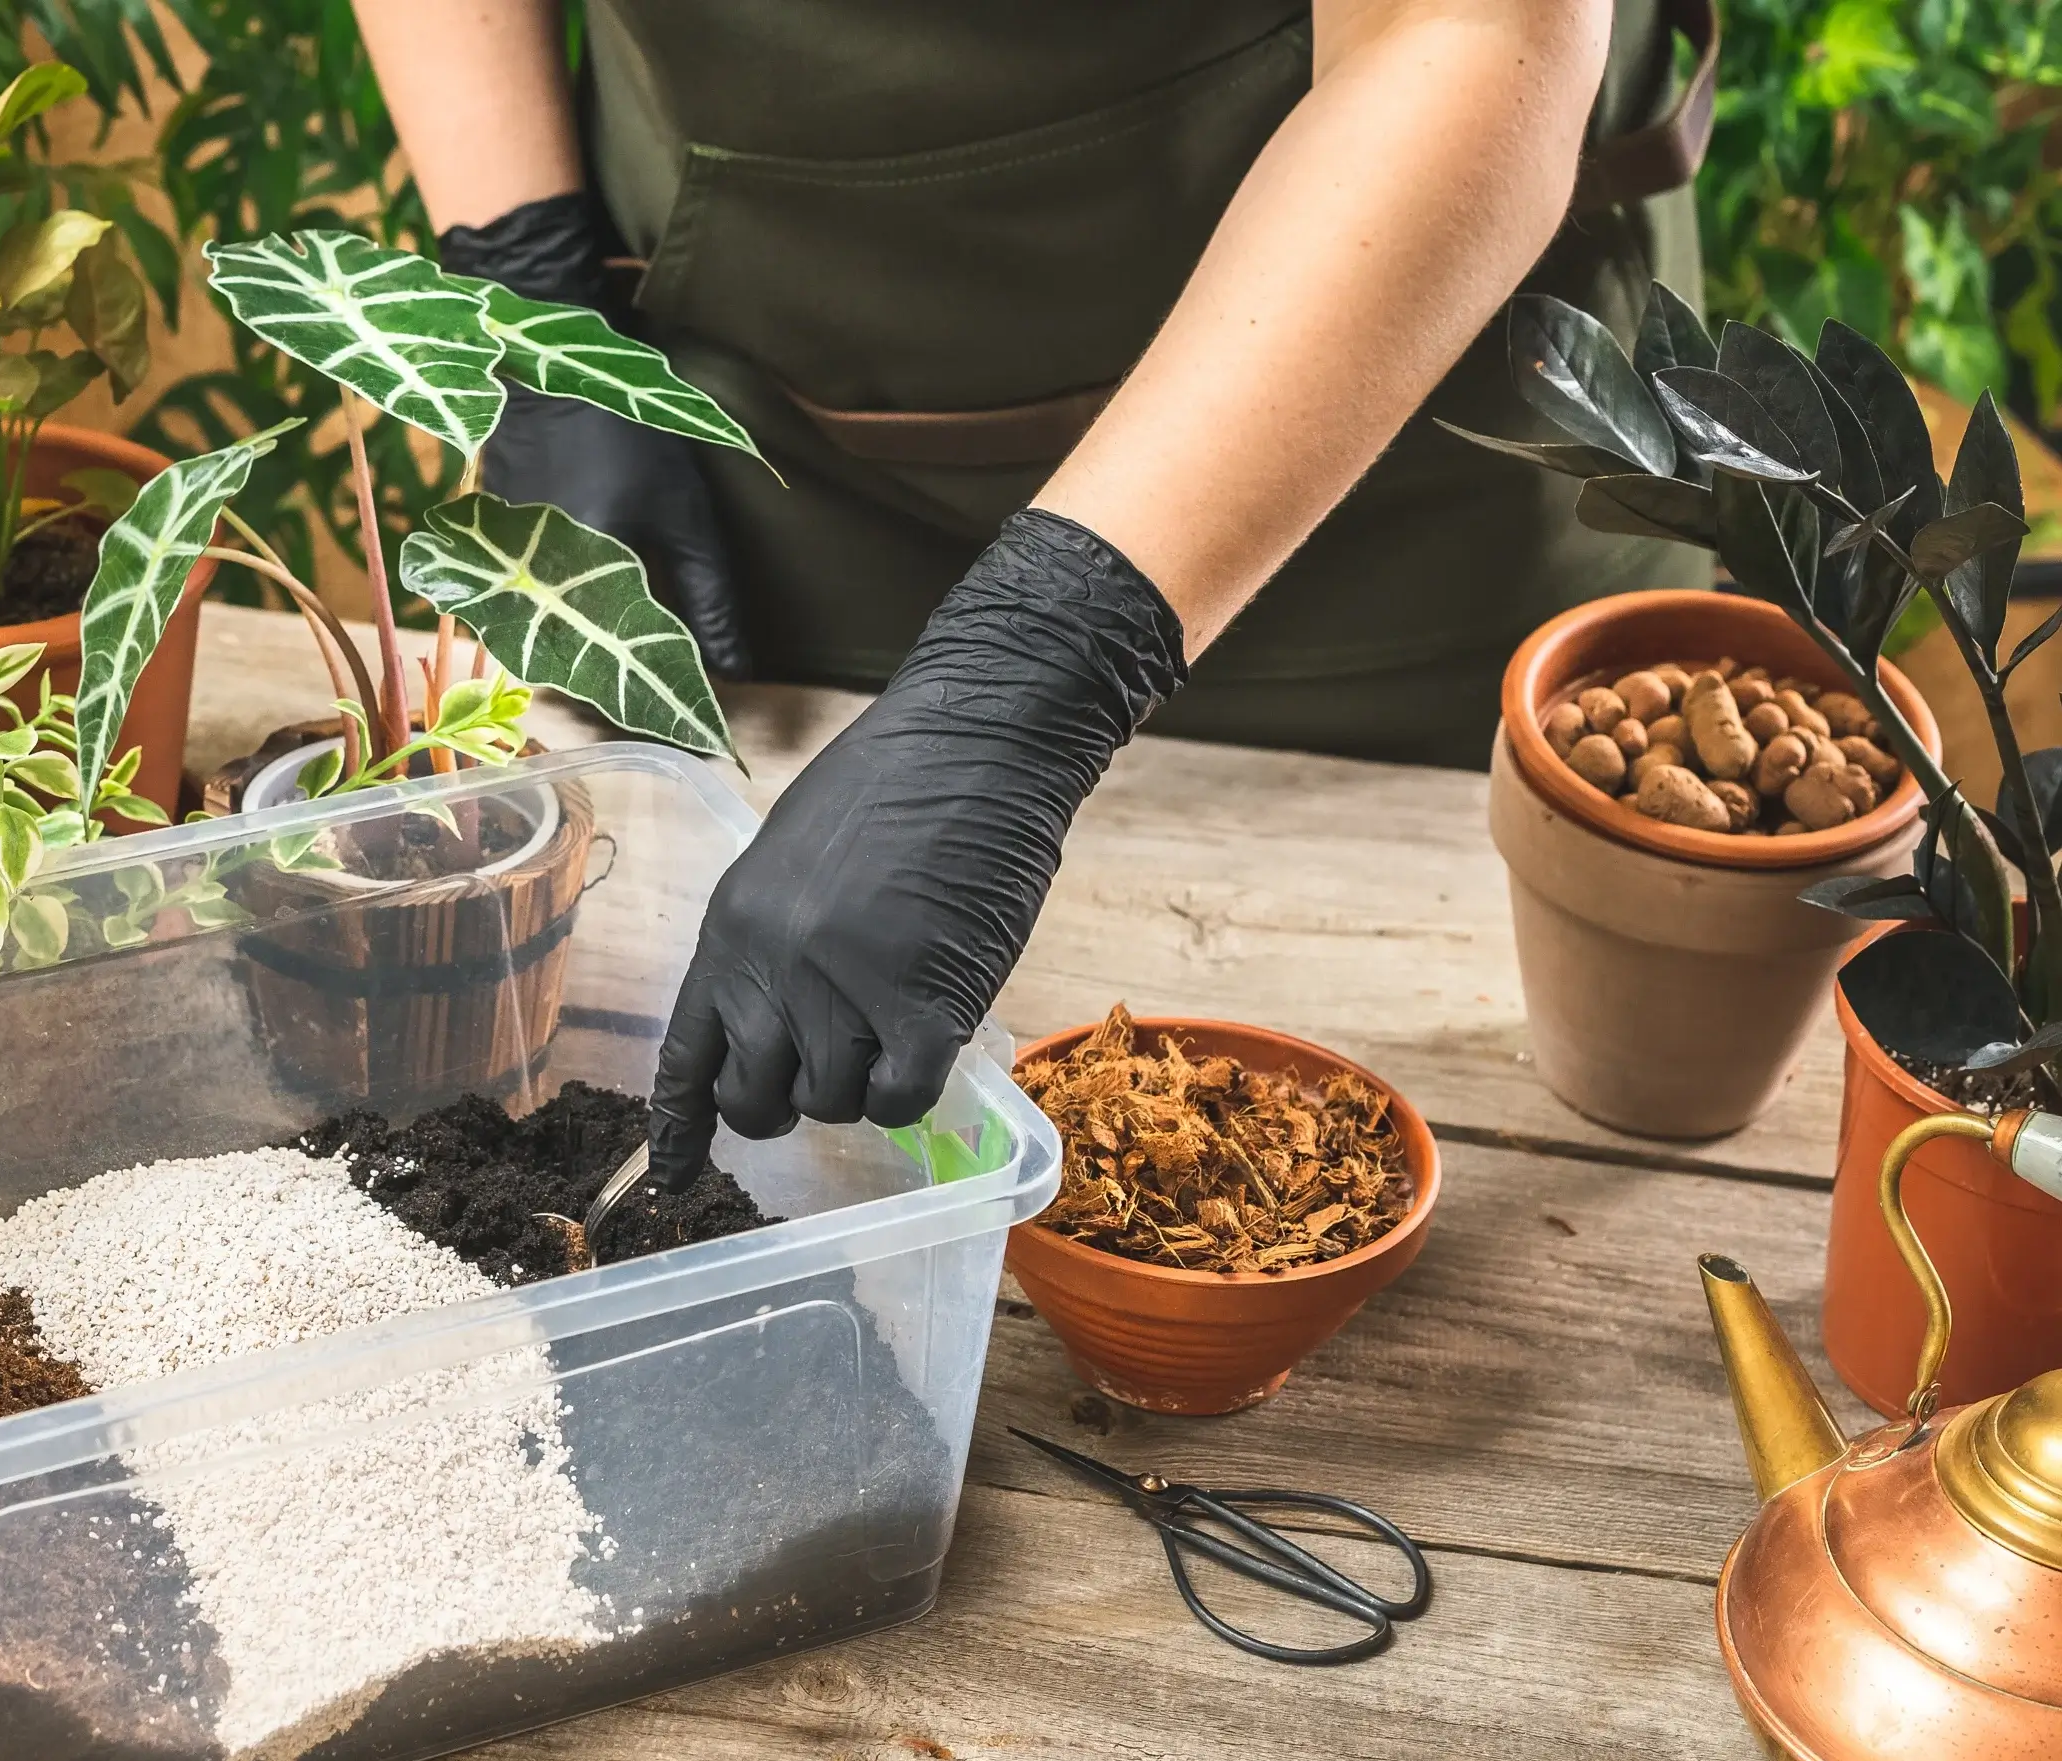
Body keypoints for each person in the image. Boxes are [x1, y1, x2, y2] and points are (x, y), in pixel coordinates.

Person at [347, 0, 1718, 1187]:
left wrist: (1034, 665)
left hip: (1395, 452)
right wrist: (529, 290)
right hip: (766, 429)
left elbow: (1467, 35)